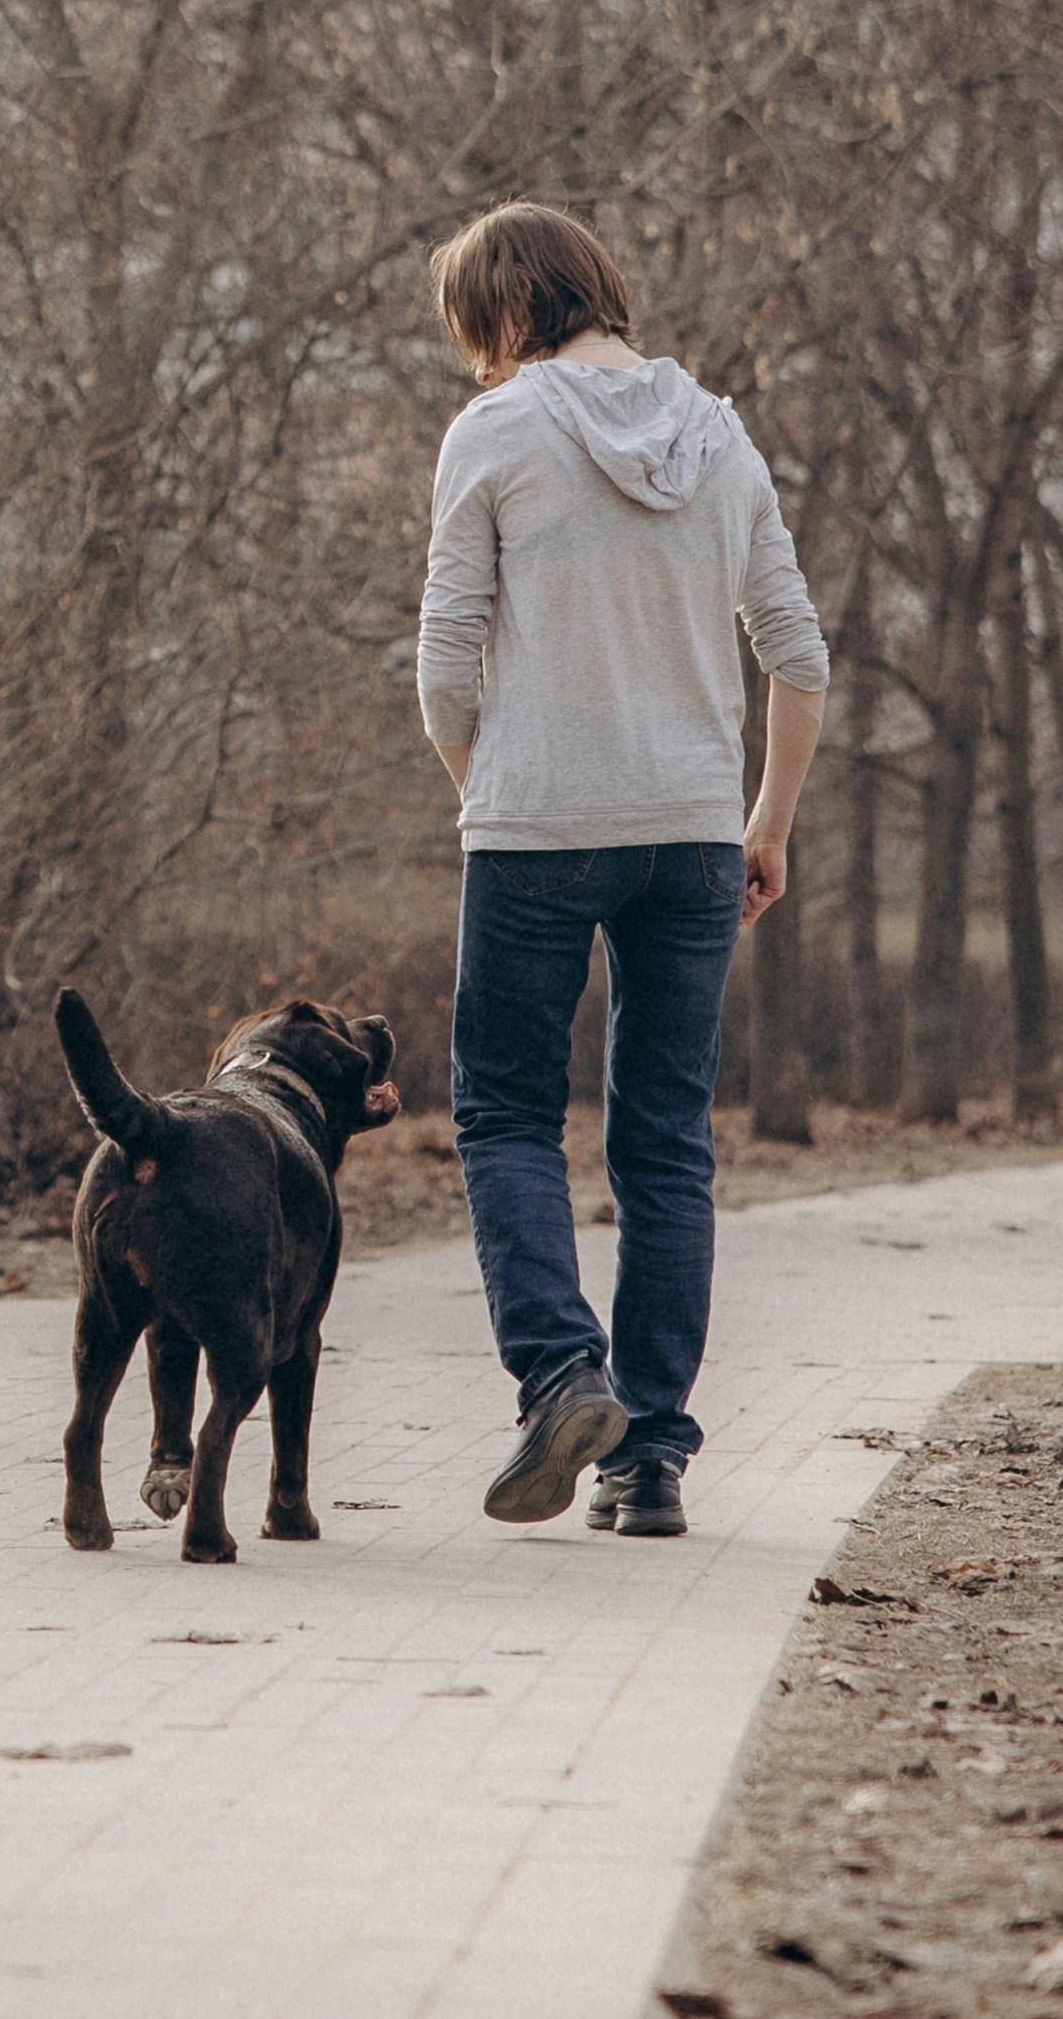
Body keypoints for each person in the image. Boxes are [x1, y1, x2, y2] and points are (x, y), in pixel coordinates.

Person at [416, 202, 828, 1537]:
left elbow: (442, 672)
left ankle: (559, 1374)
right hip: (693, 832)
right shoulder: (718, 435)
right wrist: (763, 822)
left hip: (536, 830)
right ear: (598, 289)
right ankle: (646, 1456)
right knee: (663, 1143)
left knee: (503, 1116)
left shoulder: (493, 431)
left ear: (500, 313)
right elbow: (798, 657)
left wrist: (490, 802)